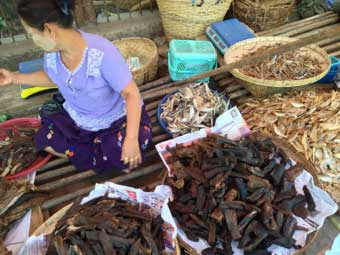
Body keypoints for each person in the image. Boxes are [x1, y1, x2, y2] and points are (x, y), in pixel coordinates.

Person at [0, 0, 152, 173]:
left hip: (116, 121)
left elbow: (132, 94)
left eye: (31, 34)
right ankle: (94, 154)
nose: (32, 40)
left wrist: (131, 139)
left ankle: (88, 153)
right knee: (44, 137)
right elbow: (53, 77)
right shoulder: (52, 55)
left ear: (49, 30)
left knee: (129, 145)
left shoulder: (101, 53)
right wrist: (14, 78)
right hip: (79, 120)